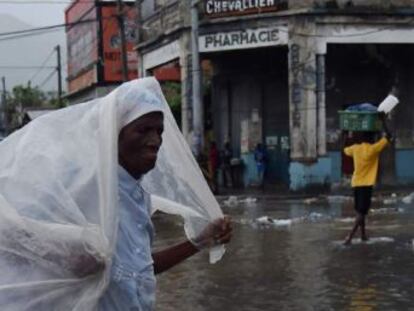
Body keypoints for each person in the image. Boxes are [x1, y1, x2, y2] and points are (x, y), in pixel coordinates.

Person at [0, 78, 232, 310]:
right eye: (143, 130)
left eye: (159, 131)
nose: (155, 141)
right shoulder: (83, 185)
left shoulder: (138, 196)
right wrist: (65, 252)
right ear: (114, 134)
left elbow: (138, 270)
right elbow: (14, 236)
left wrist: (199, 242)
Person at [343, 113, 392, 245]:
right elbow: (389, 137)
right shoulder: (373, 149)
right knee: (361, 213)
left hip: (356, 183)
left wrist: (347, 133)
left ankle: (363, 235)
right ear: (371, 138)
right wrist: (383, 121)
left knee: (360, 211)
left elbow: (345, 150)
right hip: (366, 184)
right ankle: (349, 237)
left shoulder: (355, 149)